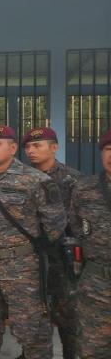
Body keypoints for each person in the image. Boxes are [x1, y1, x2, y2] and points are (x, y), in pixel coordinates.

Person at [0, 125, 66, 359]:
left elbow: (55, 226)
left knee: (30, 329)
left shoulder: (36, 181)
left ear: (12, 148)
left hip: (22, 268)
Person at [23, 126, 81, 359]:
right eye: (27, 146)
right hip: (31, 256)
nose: (31, 150)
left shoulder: (72, 180)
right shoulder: (23, 178)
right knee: (32, 312)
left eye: (37, 145)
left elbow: (78, 223)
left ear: (54, 148)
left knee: (67, 314)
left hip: (62, 258)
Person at [68, 129, 111, 359]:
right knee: (92, 348)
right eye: (108, 149)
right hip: (96, 283)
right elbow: (77, 226)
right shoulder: (85, 188)